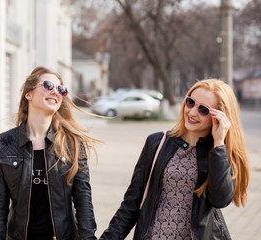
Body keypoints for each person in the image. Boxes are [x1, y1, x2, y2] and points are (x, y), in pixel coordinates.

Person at [100, 79, 249, 240]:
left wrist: (219, 144)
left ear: (220, 116)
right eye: (190, 102)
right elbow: (131, 204)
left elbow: (220, 200)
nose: (192, 112)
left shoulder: (219, 153)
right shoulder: (157, 142)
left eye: (203, 110)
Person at [0, 66, 100, 240]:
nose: (56, 92)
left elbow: (83, 202)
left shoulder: (73, 144)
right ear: (28, 94)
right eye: (48, 85)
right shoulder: (2, 144)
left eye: (61, 89)